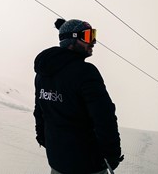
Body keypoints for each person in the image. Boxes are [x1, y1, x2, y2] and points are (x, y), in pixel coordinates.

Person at [33, 18, 123, 174]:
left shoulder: (42, 74)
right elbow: (104, 117)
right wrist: (111, 154)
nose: (93, 41)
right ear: (71, 40)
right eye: (88, 36)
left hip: (57, 161)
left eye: (93, 34)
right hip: (87, 164)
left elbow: (40, 112)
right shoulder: (85, 72)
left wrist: (43, 138)